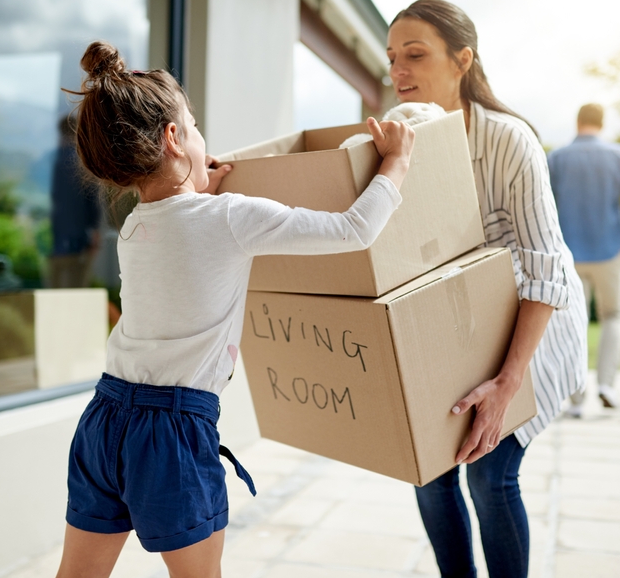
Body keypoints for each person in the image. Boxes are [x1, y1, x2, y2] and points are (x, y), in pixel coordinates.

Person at [56, 41, 415, 578]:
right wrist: (396, 163)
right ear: (173, 138)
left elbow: (184, 241)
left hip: (103, 419)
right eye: (194, 126)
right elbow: (352, 229)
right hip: (172, 429)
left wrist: (202, 185)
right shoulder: (230, 218)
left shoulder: (134, 227)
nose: (202, 138)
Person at [386, 0, 588, 578]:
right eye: (393, 58)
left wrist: (507, 382)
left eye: (416, 55)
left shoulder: (509, 139)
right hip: (465, 324)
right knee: (429, 468)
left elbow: (546, 270)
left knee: (489, 470)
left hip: (536, 319)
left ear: (462, 60)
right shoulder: (403, 143)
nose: (399, 71)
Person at [548, 103, 620, 416]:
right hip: (610, 252)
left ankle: (576, 398)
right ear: (602, 124)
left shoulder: (557, 158)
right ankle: (606, 385)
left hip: (567, 254)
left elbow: (543, 206)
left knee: (571, 323)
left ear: (578, 122)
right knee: (613, 316)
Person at [49, 114, 101, 289]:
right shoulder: (82, 162)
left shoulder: (55, 161)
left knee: (55, 295)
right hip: (79, 241)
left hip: (57, 240)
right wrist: (94, 231)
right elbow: (92, 200)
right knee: (77, 293)